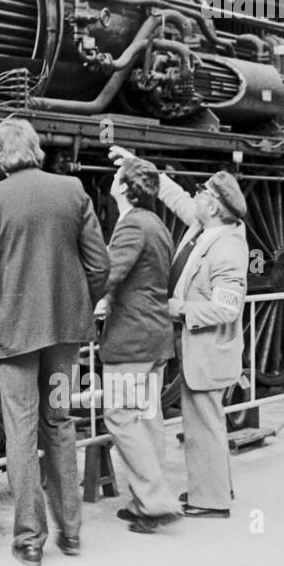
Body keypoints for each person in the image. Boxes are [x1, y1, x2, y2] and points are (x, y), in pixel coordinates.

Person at [0, 119, 109, 566]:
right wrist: (81, 304)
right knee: (61, 423)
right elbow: (100, 265)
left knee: (21, 434)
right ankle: (72, 535)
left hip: (14, 334)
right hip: (65, 335)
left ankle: (30, 541)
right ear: (37, 150)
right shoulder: (73, 191)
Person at [109, 145, 249, 519]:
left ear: (216, 206)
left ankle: (212, 500)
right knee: (199, 421)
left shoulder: (228, 248)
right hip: (191, 346)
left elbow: (227, 306)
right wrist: (142, 165)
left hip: (207, 347)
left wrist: (181, 309)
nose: (197, 197)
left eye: (203, 193)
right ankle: (209, 492)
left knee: (204, 422)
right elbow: (177, 199)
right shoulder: (206, 227)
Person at [95, 158, 179, 534]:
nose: (111, 182)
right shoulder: (157, 223)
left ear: (126, 188)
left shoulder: (131, 225)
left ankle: (156, 500)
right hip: (156, 335)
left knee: (119, 416)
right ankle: (144, 501)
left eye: (116, 178)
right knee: (147, 417)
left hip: (132, 339)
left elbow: (109, 275)